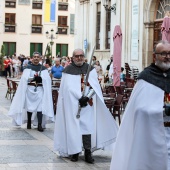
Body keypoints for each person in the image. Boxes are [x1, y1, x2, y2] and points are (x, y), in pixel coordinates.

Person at [110, 40, 170, 170]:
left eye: (169, 53)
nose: (167, 56)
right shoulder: (146, 78)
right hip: (152, 135)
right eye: (163, 53)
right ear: (155, 56)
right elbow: (139, 110)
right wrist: (161, 110)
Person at [54, 48, 118, 164]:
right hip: (73, 105)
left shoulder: (90, 70)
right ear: (72, 58)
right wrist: (78, 97)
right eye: (77, 56)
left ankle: (88, 152)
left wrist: (87, 97)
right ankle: (75, 152)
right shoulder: (68, 71)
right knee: (73, 128)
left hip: (87, 104)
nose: (79, 58)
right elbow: (65, 90)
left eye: (81, 56)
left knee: (87, 128)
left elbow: (95, 87)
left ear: (84, 57)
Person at [8, 52, 54, 132]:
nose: (36, 58)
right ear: (32, 58)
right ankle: (29, 121)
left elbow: (47, 80)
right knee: (29, 107)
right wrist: (33, 78)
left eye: (37, 57)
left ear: (40, 58)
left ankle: (39, 124)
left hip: (39, 90)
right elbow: (24, 79)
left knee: (40, 107)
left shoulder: (43, 68)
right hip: (30, 89)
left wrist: (41, 79)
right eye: (34, 57)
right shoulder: (28, 68)